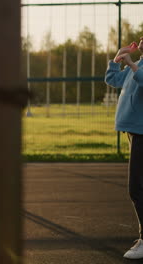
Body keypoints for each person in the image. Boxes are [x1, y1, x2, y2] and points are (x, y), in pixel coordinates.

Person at [105, 36, 143, 259]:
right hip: (134, 131)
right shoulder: (137, 65)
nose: (141, 39)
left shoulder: (137, 67)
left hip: (142, 133)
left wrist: (131, 64)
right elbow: (113, 80)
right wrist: (117, 59)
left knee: (136, 187)